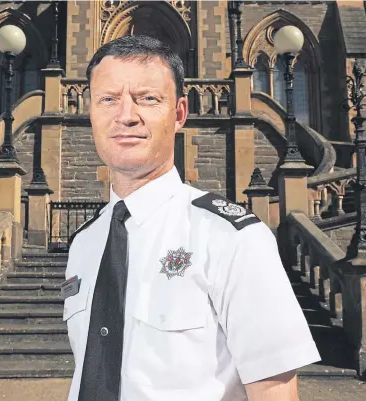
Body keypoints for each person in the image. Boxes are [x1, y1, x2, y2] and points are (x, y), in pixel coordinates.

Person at [63, 35, 320, 401]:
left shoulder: (233, 239)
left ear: (180, 113)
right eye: (108, 99)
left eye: (147, 98)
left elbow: (275, 393)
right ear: (90, 111)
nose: (126, 115)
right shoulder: (84, 245)